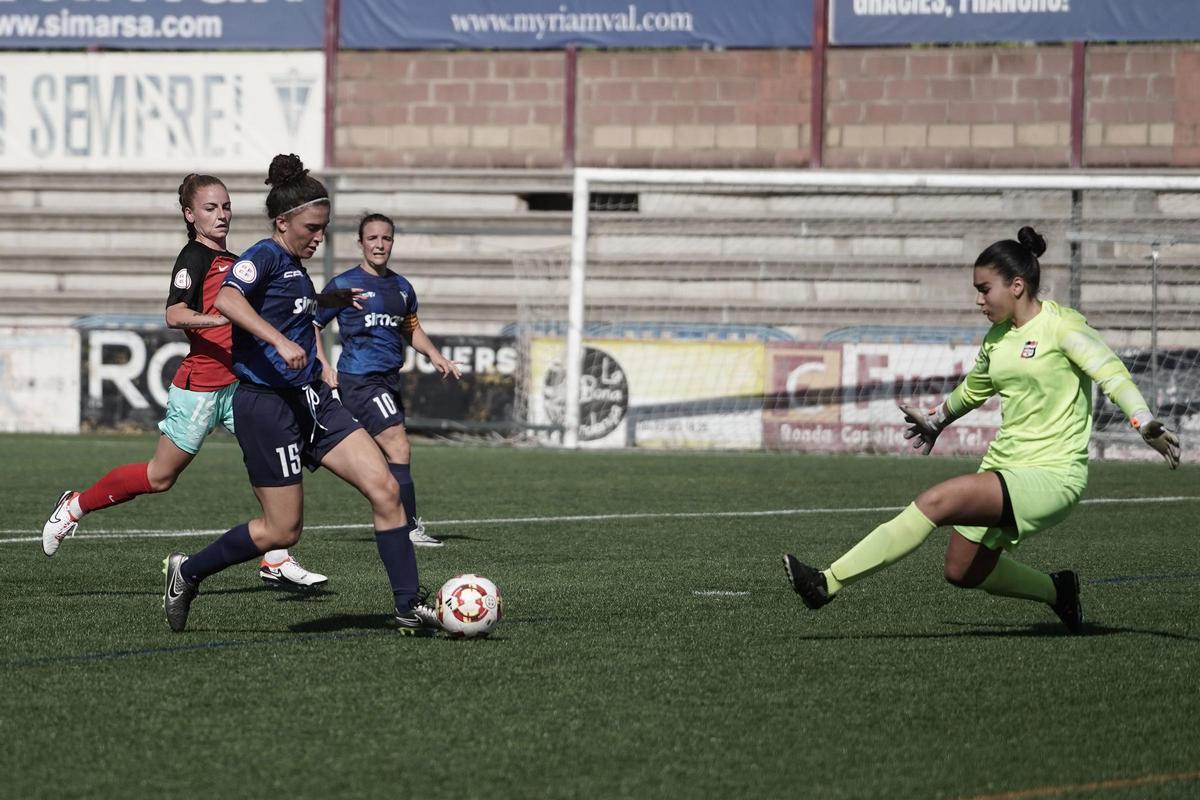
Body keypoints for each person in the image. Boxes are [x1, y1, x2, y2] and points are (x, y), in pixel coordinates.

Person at [783, 226, 1181, 634]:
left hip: (1053, 475)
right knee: (962, 570)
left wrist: (1142, 421)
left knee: (935, 502)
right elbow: (973, 390)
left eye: (984, 289)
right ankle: (1057, 590)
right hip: (1005, 465)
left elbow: (1112, 374)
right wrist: (937, 420)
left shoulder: (1062, 327)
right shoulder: (997, 339)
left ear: (1017, 285)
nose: (978, 300)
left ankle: (826, 582)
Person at [162, 153, 438, 635]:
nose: (319, 237)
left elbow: (296, 304)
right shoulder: (263, 256)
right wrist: (278, 340)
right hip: (265, 407)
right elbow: (227, 298)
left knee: (387, 489)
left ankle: (407, 605)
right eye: (311, 227)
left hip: (312, 399)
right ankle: (187, 572)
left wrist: (328, 302)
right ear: (282, 221)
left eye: (324, 228)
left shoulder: (292, 265)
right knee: (282, 531)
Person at [41, 173, 327, 590]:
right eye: (211, 208)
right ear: (190, 215)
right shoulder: (194, 257)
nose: (222, 215)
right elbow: (174, 314)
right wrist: (216, 318)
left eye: (226, 206)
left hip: (245, 386)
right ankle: (74, 506)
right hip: (203, 385)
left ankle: (275, 556)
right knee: (160, 476)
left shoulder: (237, 260)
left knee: (269, 462)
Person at [314, 212, 462, 549]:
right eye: (373, 238)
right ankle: (407, 527)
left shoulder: (401, 287)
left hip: (388, 380)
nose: (380, 244)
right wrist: (323, 364)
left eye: (386, 238)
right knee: (398, 445)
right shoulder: (343, 285)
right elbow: (311, 323)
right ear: (361, 243)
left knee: (374, 456)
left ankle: (393, 520)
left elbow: (410, 327)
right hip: (360, 380)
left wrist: (435, 356)